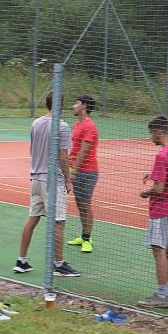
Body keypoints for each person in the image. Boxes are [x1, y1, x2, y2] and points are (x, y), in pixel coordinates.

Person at [14, 92, 81, 277]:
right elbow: (63, 156)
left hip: (36, 178)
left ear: (47, 104)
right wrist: (68, 179)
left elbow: (33, 150)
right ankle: (58, 264)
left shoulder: (35, 123)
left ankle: (21, 261)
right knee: (59, 221)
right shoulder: (62, 126)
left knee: (33, 218)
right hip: (52, 180)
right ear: (61, 104)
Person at [137, 115, 168, 308]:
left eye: (151, 134)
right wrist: (154, 175)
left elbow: (158, 189)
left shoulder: (161, 155)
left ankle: (161, 295)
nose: (151, 138)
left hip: (161, 208)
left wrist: (146, 193)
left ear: (158, 132)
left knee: (158, 251)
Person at [67, 94, 100, 253]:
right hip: (77, 170)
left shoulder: (90, 126)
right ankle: (84, 235)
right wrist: (68, 161)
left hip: (87, 171)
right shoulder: (76, 124)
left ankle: (87, 239)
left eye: (76, 103)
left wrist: (74, 170)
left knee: (85, 205)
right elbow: (74, 148)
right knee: (80, 204)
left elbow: (84, 150)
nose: (73, 106)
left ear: (84, 106)